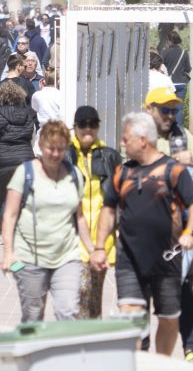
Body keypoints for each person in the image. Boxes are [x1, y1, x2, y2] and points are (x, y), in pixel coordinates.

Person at [92, 111, 193, 358]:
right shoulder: (123, 172)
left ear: (143, 140)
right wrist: (99, 247)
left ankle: (159, 364)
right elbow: (109, 210)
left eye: (126, 138)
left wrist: (190, 232)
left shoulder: (173, 170)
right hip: (128, 258)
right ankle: (136, 362)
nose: (121, 143)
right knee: (130, 317)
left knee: (168, 318)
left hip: (165, 259)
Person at [145, 87, 193, 366]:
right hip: (151, 224)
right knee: (146, 288)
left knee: (184, 288)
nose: (170, 115)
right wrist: (176, 161)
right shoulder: (142, 136)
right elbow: (139, 171)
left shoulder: (182, 135)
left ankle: (190, 349)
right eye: (165, 109)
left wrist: (189, 193)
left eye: (174, 109)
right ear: (149, 108)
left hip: (181, 226)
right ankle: (142, 348)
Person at [0, 121, 92, 322]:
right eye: (51, 148)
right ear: (41, 146)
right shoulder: (25, 173)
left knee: (68, 312)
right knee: (33, 314)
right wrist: (8, 253)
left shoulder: (74, 175)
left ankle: (63, 353)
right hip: (28, 257)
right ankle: (30, 352)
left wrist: (93, 251)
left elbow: (80, 217)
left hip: (67, 256)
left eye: (61, 149)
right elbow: (10, 215)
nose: (56, 154)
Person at [68, 105, 121, 319]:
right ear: (75, 127)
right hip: (73, 240)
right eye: (83, 125)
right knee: (80, 296)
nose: (88, 129)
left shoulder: (110, 156)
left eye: (93, 124)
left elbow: (118, 197)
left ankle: (90, 343)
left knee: (94, 299)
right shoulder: (65, 155)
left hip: (103, 240)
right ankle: (79, 343)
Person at [0, 80, 37, 244]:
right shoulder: (30, 114)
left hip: (2, 160)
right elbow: (33, 137)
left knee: (0, 197)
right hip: (26, 159)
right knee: (25, 198)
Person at [161, 31, 191, 111]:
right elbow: (188, 69)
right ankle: (179, 124)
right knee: (179, 109)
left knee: (167, 107)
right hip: (181, 83)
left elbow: (160, 67)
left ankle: (169, 123)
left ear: (169, 40)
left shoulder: (164, 53)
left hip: (169, 83)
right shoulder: (184, 53)